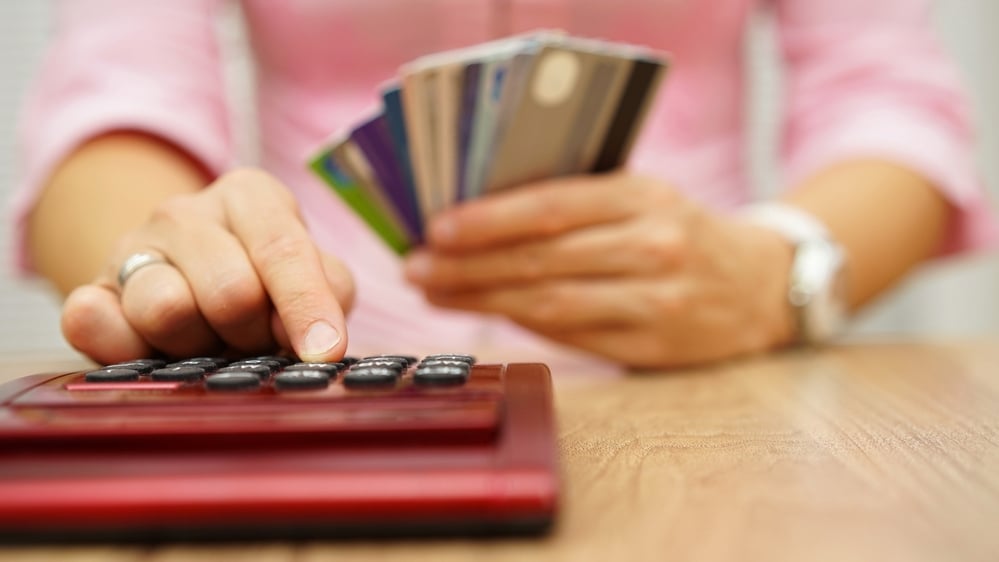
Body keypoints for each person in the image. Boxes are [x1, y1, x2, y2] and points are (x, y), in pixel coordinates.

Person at [11, 0, 997, 370]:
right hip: (324, 383)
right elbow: (115, 88)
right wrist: (164, 260)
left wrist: (773, 273)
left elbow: (889, 96)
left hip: (709, 376)